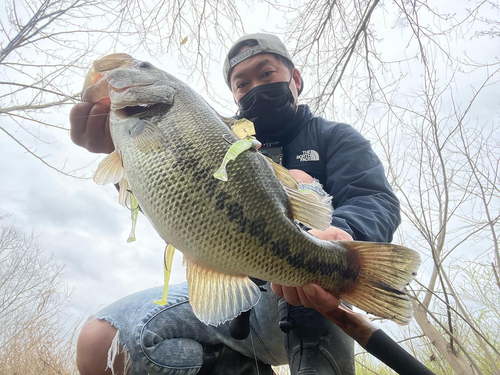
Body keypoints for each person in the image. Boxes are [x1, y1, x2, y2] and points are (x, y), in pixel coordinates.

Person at [71, 33, 401, 375]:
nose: (255, 86)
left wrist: (343, 233)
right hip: (231, 297)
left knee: (302, 182)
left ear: (295, 78)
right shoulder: (219, 135)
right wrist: (119, 155)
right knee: (103, 341)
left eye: (267, 73)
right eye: (242, 83)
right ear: (234, 94)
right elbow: (168, 198)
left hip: (314, 296)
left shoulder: (334, 137)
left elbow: (374, 198)